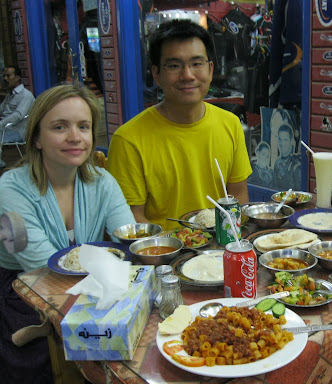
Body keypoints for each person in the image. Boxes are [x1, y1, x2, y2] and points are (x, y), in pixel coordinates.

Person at [0, 84, 135, 383]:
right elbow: (43, 266)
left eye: (83, 126)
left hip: (91, 283)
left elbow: (129, 241)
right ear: (36, 138)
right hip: (24, 293)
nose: (75, 136)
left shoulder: (102, 180)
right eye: (60, 127)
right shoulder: (9, 189)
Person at [108, 19, 252, 230]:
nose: (187, 75)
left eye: (196, 63)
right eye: (174, 65)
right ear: (156, 74)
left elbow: (238, 195)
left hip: (220, 249)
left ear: (211, 69)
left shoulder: (230, 124)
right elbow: (132, 220)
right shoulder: (129, 139)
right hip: (163, 255)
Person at [0, 65, 35, 168]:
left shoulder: (26, 95)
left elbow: (18, 115)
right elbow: (1, 109)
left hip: (17, 131)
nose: (5, 79)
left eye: (8, 76)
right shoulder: (10, 94)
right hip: (6, 128)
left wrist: (1, 124)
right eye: (4, 76)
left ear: (17, 77)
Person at [273, 124, 301, 190]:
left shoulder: (296, 165)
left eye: (285, 140)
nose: (282, 143)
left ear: (291, 141)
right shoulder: (277, 163)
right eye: (280, 139)